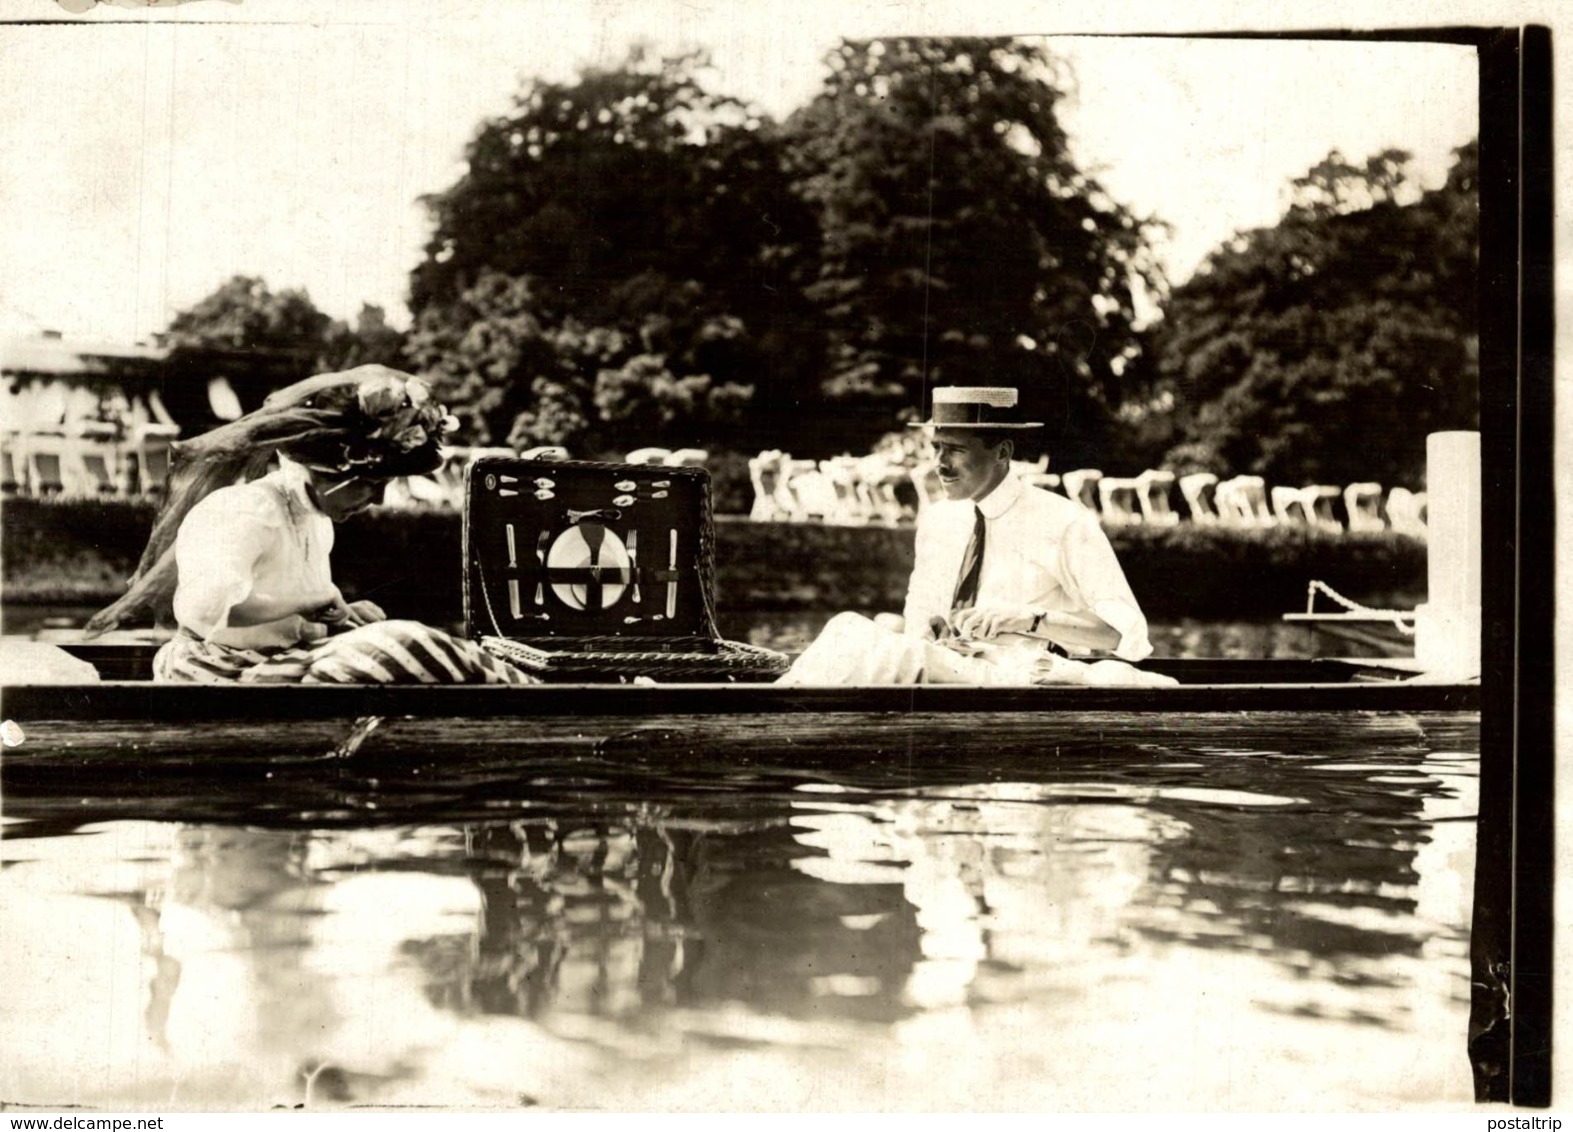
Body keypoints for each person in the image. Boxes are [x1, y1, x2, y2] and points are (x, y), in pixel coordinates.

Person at [84, 365, 532, 684]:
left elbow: (298, 614)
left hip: (277, 662)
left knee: (396, 636)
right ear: (321, 471)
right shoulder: (245, 510)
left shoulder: (314, 519)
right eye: (369, 484)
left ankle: (518, 688)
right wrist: (309, 598)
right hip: (217, 669)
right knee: (402, 642)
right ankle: (524, 697)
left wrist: (340, 616)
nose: (376, 499)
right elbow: (205, 611)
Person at [779, 385, 1173, 687]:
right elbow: (919, 617)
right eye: (936, 448)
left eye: (955, 450)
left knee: (850, 629)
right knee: (867, 628)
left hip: (1018, 676)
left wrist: (1027, 619)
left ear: (1002, 452)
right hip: (951, 667)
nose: (940, 464)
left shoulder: (1064, 520)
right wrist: (931, 626)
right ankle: (774, 704)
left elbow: (1121, 633)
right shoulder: (939, 519)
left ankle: (766, 709)